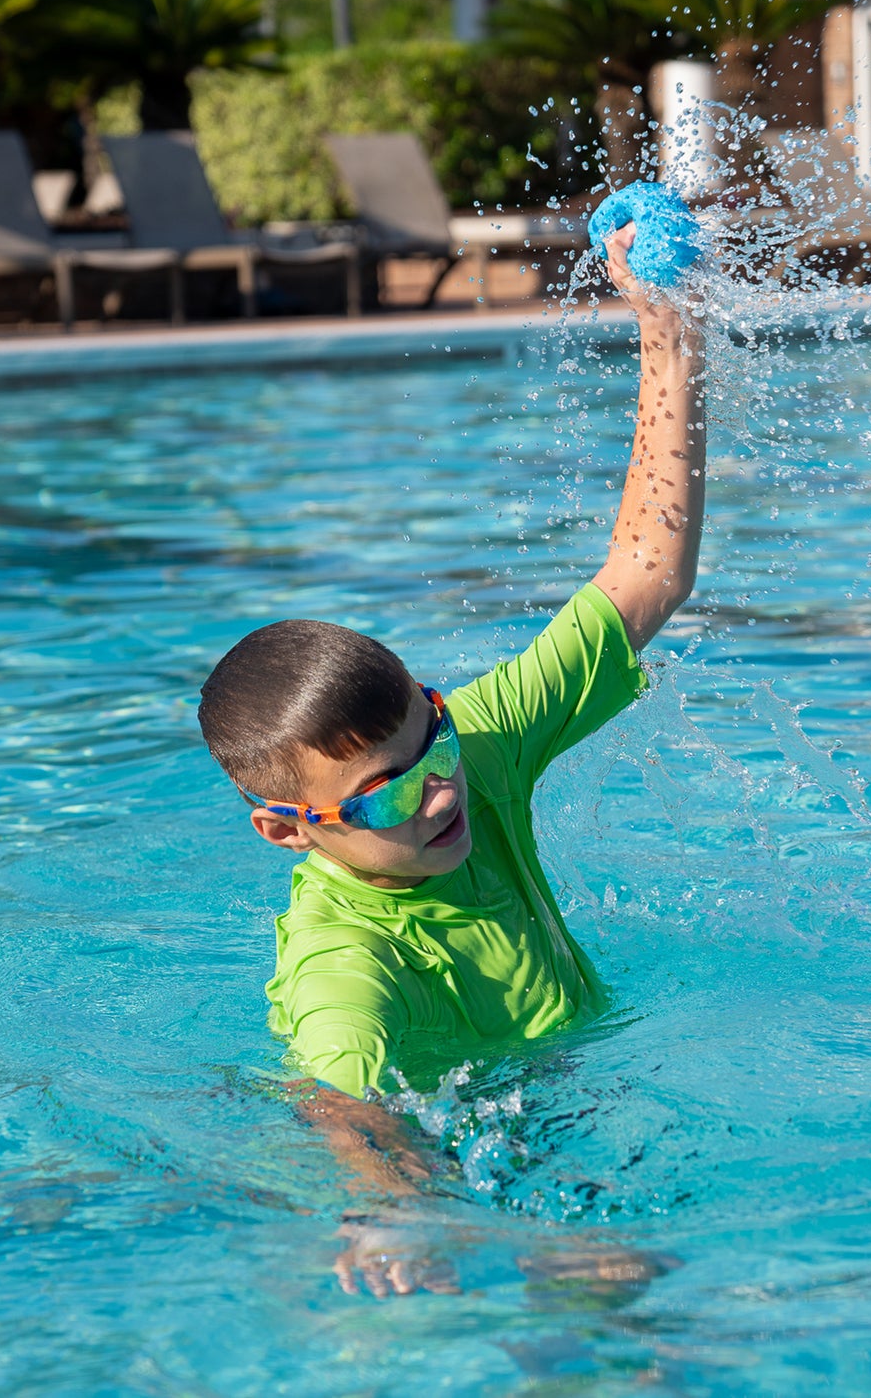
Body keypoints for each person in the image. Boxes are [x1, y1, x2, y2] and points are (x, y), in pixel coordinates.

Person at [196, 226, 705, 1295]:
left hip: (571, 1089)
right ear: (291, 826)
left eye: (432, 733)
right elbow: (340, 1098)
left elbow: (646, 570)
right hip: (475, 1149)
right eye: (383, 788)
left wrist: (665, 339)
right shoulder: (346, 966)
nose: (436, 785)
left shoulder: (473, 747)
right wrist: (390, 1210)